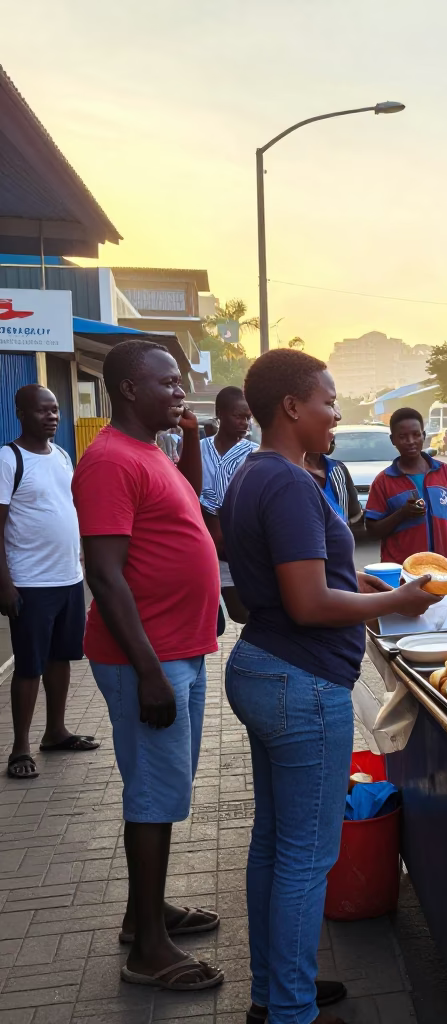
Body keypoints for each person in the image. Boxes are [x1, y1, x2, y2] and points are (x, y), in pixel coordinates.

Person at [219, 349, 440, 1024]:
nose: (337, 413)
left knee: (274, 846)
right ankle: (289, 1010)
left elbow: (297, 580)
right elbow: (310, 602)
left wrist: (365, 583)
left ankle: (275, 991)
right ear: (292, 407)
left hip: (268, 669)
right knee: (306, 858)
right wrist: (395, 601)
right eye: (329, 401)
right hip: (300, 685)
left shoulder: (258, 474)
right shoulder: (286, 482)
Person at [72, 340, 223, 993]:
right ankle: (148, 951)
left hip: (178, 648)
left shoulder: (149, 452)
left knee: (167, 788)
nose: (179, 392)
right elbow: (103, 575)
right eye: (167, 383)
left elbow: (182, 509)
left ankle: (145, 911)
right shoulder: (108, 461)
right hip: (149, 659)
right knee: (153, 796)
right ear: (130, 389)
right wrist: (150, 670)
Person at [0, 385, 98, 780]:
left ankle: (55, 732)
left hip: (68, 579)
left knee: (62, 659)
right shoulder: (9, 459)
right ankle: (19, 747)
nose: (52, 416)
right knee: (29, 666)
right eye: (42, 410)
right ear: (21, 413)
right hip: (30, 583)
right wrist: (4, 583)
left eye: (55, 410)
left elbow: (67, 509)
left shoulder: (60, 455)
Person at [365, 407, 447, 564]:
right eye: (403, 436)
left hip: (442, 569)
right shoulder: (383, 481)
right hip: (403, 574)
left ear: (423, 435)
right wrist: (402, 514)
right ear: (393, 440)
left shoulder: (445, 472)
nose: (410, 441)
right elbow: (373, 530)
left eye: (416, 435)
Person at [199, 386, 258, 623]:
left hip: (238, 548)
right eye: (238, 416)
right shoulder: (197, 449)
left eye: (248, 418)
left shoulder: (254, 453)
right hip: (202, 545)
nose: (244, 423)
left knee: (242, 613)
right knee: (206, 619)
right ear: (220, 413)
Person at [302, 433, 363, 530]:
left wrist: (345, 525)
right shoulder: (293, 471)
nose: (331, 435)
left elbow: (355, 511)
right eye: (324, 431)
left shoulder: (339, 468)